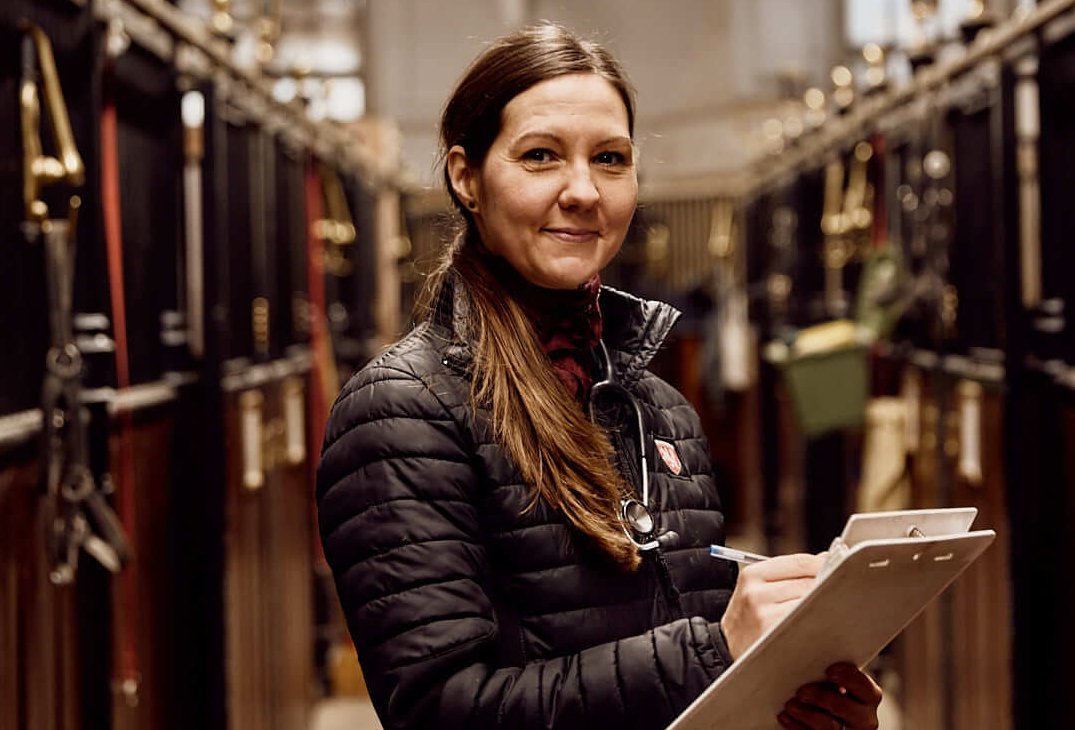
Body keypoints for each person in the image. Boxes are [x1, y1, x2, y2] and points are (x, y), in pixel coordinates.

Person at [316, 22, 882, 730]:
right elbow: (440, 710)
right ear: (466, 177)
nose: (583, 190)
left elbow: (694, 694)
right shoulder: (401, 411)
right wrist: (715, 648)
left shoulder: (662, 409)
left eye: (610, 158)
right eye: (540, 156)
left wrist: (789, 698)